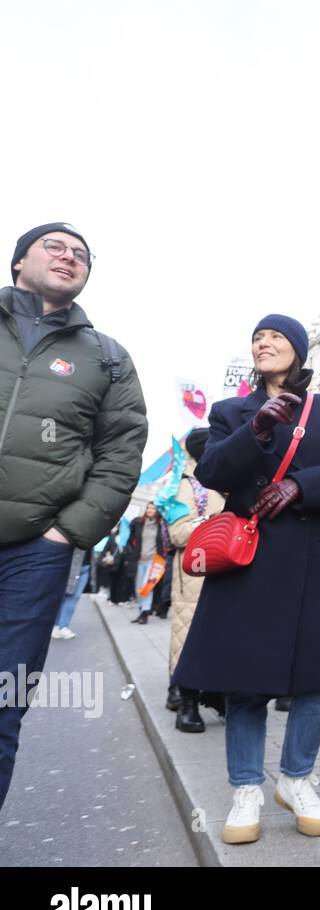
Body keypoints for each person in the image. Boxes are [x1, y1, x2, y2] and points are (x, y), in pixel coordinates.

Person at [172, 314, 320, 845]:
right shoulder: (230, 412)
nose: (264, 343)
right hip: (252, 561)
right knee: (245, 681)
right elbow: (213, 471)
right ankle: (246, 789)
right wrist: (255, 429)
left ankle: (297, 779)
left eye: (276, 337)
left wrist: (300, 488)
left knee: (316, 678)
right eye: (258, 338)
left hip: (318, 561)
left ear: (299, 352)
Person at [0, 223, 148, 811]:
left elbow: (121, 452)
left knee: (4, 704)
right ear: (19, 260)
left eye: (81, 254)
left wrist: (67, 534)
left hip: (33, 553)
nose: (69, 257)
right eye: (55, 247)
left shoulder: (106, 357)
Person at [164, 428, 227, 733]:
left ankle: (216, 694)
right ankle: (187, 701)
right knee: (187, 636)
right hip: (194, 575)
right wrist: (214, 523)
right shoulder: (189, 486)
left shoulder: (226, 482)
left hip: (225, 573)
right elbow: (177, 532)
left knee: (220, 638)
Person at [124, 503, 170, 624]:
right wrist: (131, 554)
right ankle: (141, 611)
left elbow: (166, 542)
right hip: (139, 560)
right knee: (139, 588)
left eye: (153, 508)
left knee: (147, 587)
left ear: (157, 511)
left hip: (154, 561)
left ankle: (145, 613)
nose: (150, 510)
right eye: (148, 508)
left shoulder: (161, 525)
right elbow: (130, 541)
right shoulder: (139, 523)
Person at [51, 548, 94, 640]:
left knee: (74, 597)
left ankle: (62, 626)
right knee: (65, 596)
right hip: (70, 566)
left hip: (84, 567)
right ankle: (58, 626)